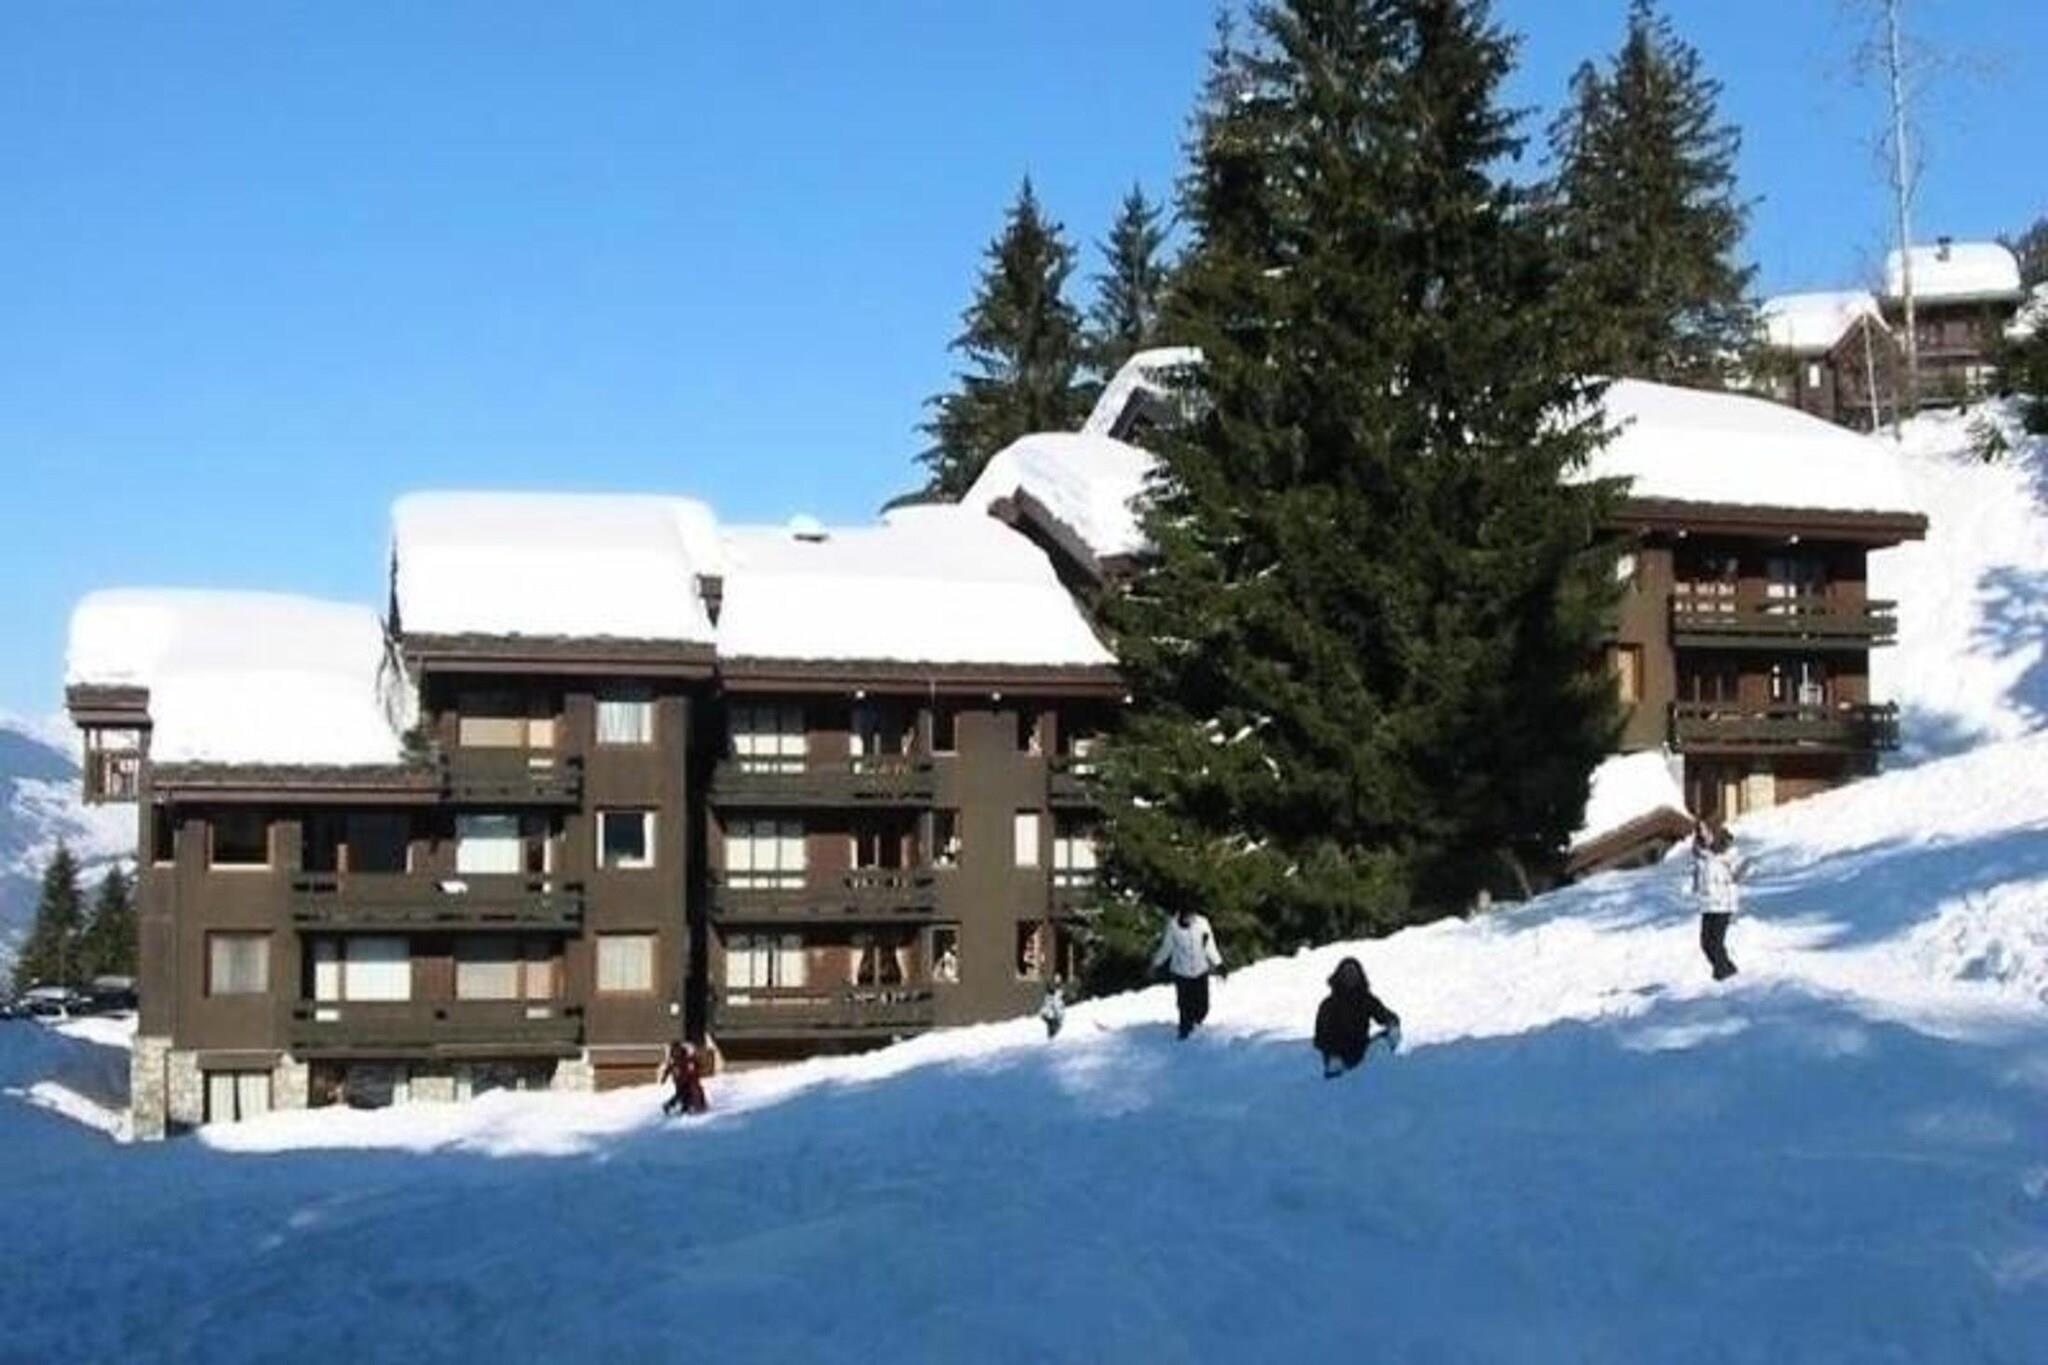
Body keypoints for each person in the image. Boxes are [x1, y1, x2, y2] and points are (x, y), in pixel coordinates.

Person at [1313, 956, 1401, 1078]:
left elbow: (1384, 1015)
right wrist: (1332, 1054)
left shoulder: (1366, 1000)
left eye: (1353, 973)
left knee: (1389, 1035)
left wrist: (1392, 1023)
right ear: (1339, 976)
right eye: (1346, 973)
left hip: (1363, 1050)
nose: (1350, 977)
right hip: (1337, 1056)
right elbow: (1320, 1037)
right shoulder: (1328, 1004)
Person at [1150, 907, 1224, 1039]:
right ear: (1181, 916)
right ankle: (1184, 1030)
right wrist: (1156, 964)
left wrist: (1218, 963)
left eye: (1192, 917)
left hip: (1200, 970)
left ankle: (1196, 1023)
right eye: (1187, 918)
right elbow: (1167, 947)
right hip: (1181, 972)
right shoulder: (1173, 926)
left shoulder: (1203, 923)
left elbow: (1209, 945)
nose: (1191, 920)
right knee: (1184, 1004)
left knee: (1203, 1006)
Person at [1696, 822, 1740, 981]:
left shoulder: (1727, 854)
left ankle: (1723, 976)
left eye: (1706, 830)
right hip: (1707, 905)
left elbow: (1734, 881)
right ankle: (1729, 970)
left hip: (1723, 905)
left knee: (1716, 944)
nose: (1703, 834)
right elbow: (1699, 880)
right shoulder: (1701, 854)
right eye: (1700, 831)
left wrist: (1733, 908)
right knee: (1705, 944)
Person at [660, 1040, 709, 1117]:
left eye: (677, 1050)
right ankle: (673, 1106)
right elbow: (669, 1069)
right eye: (675, 1050)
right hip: (680, 1081)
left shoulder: (686, 1057)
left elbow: (696, 1065)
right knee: (682, 1094)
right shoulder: (674, 1060)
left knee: (687, 1093)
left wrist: (699, 1068)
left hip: (687, 1080)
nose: (676, 1052)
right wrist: (664, 1078)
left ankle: (688, 1107)